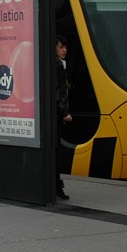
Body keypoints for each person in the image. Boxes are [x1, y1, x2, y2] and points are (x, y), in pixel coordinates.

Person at [54, 35, 71, 200]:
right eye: (61, 47)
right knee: (56, 150)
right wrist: (64, 112)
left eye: (65, 47)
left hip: (53, 113)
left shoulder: (58, 64)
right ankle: (56, 185)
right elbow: (60, 91)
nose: (64, 50)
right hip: (56, 115)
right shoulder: (58, 65)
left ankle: (56, 184)